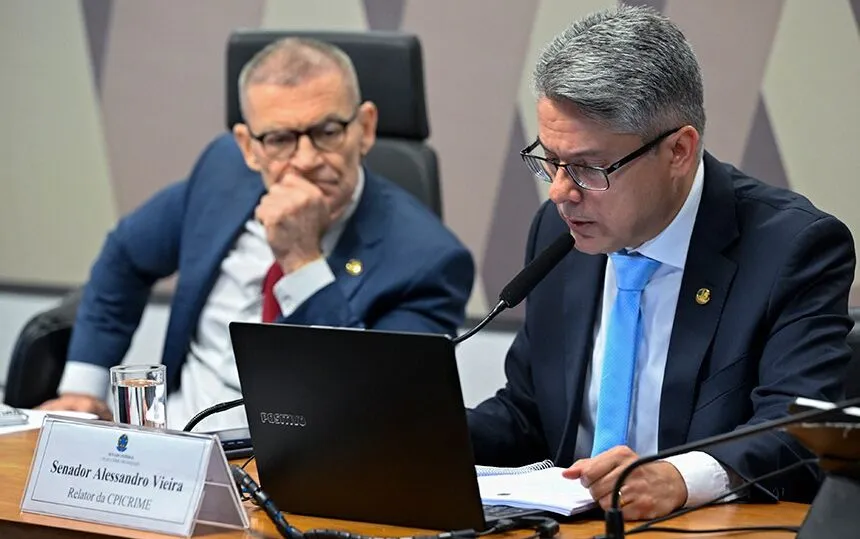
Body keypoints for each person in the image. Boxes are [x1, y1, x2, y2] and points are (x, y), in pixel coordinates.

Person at [467, 5, 855, 521]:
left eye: (588, 167)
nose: (560, 192)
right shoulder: (559, 233)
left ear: (678, 151)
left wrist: (678, 478)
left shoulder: (791, 248)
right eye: (550, 160)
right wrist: (416, 431)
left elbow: (795, 432)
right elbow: (529, 414)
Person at [39, 38, 474, 431]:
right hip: (176, 439)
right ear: (249, 148)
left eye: (327, 132)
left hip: (299, 469)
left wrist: (302, 262)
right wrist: (83, 390)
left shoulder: (430, 261)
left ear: (366, 127)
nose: (306, 160)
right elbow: (125, 256)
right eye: (281, 139)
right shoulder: (222, 174)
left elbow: (377, 411)